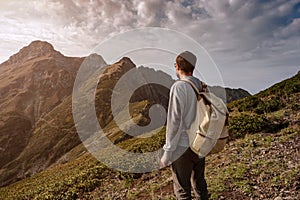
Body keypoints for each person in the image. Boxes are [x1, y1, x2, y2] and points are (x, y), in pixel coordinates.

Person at [160, 51, 209, 200]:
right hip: (200, 142)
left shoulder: (179, 87)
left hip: (182, 146)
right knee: (200, 184)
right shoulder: (203, 86)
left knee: (182, 190)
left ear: (178, 66)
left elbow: (174, 122)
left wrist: (167, 152)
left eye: (175, 65)